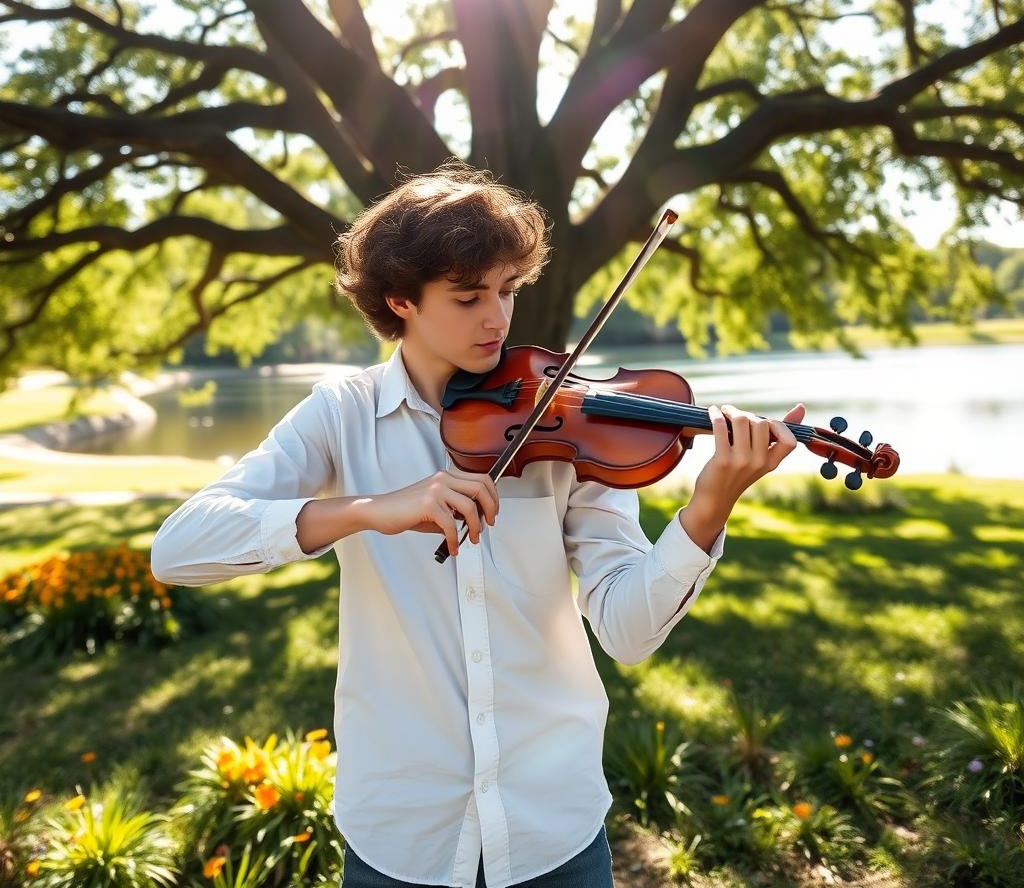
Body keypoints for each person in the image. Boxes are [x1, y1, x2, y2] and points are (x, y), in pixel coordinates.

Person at [150, 161, 805, 888]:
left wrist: (708, 507)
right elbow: (180, 547)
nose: (498, 319)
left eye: (508, 291)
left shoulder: (564, 421)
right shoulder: (341, 415)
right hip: (404, 834)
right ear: (400, 299)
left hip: (552, 830)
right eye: (468, 297)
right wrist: (373, 509)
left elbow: (626, 630)